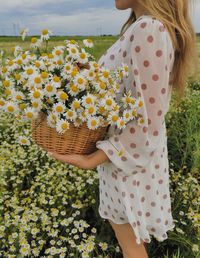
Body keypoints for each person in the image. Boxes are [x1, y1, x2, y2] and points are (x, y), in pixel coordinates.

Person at [48, 0, 198, 257]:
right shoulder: (142, 28)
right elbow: (127, 93)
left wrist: (92, 159)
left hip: (127, 164)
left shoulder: (149, 29)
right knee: (135, 246)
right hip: (125, 158)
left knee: (133, 250)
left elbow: (147, 120)